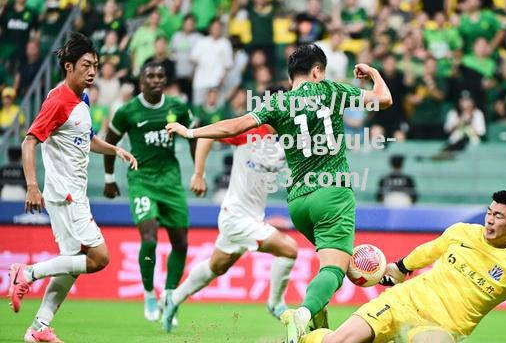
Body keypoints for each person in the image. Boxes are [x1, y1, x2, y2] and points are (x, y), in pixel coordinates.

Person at [165, 43, 392, 342]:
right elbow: (384, 100)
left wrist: (190, 132)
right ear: (317, 70)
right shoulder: (331, 90)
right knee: (334, 270)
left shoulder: (278, 105)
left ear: (290, 77)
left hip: (298, 203)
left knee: (335, 264)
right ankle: (302, 313)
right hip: (332, 193)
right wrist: (373, 73)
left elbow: (234, 126)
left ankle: (317, 321)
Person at [304, 190, 506, 343]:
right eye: (489, 212)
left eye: (499, 216)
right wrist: (399, 268)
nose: (489, 219)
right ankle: (307, 336)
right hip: (402, 301)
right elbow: (426, 253)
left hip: (439, 328)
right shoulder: (462, 232)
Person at [8, 32, 137, 343]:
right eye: (86, 65)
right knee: (100, 257)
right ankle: (26, 273)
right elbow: (29, 142)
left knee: (72, 263)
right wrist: (31, 185)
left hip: (72, 193)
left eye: (95, 65)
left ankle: (39, 327)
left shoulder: (82, 97)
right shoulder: (58, 100)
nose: (92, 71)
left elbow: (87, 140)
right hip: (65, 194)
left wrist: (115, 150)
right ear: (68, 66)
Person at [162, 126, 299, 332]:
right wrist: (199, 174)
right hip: (235, 216)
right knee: (289, 249)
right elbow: (205, 137)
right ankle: (275, 303)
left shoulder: (287, 140)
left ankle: (173, 298)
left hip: (252, 218)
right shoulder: (249, 130)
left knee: (217, 267)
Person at [103, 62, 196, 323]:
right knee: (150, 238)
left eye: (160, 76)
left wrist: (198, 172)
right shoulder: (127, 111)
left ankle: (169, 296)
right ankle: (148, 294)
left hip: (171, 182)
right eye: (150, 76)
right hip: (141, 180)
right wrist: (109, 178)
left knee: (181, 243)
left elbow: (194, 137)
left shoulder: (177, 107)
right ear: (140, 81)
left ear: (165, 80)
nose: (155, 80)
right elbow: (110, 143)